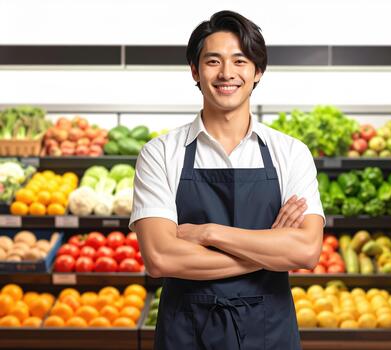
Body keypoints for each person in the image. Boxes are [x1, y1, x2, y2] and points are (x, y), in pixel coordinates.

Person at [130, 10, 324, 350]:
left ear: (258, 71)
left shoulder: (291, 152)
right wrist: (270, 248)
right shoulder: (159, 153)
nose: (226, 74)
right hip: (186, 334)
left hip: (270, 334)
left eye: (240, 61)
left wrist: (208, 233)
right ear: (194, 70)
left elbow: (306, 251)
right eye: (213, 61)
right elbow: (161, 258)